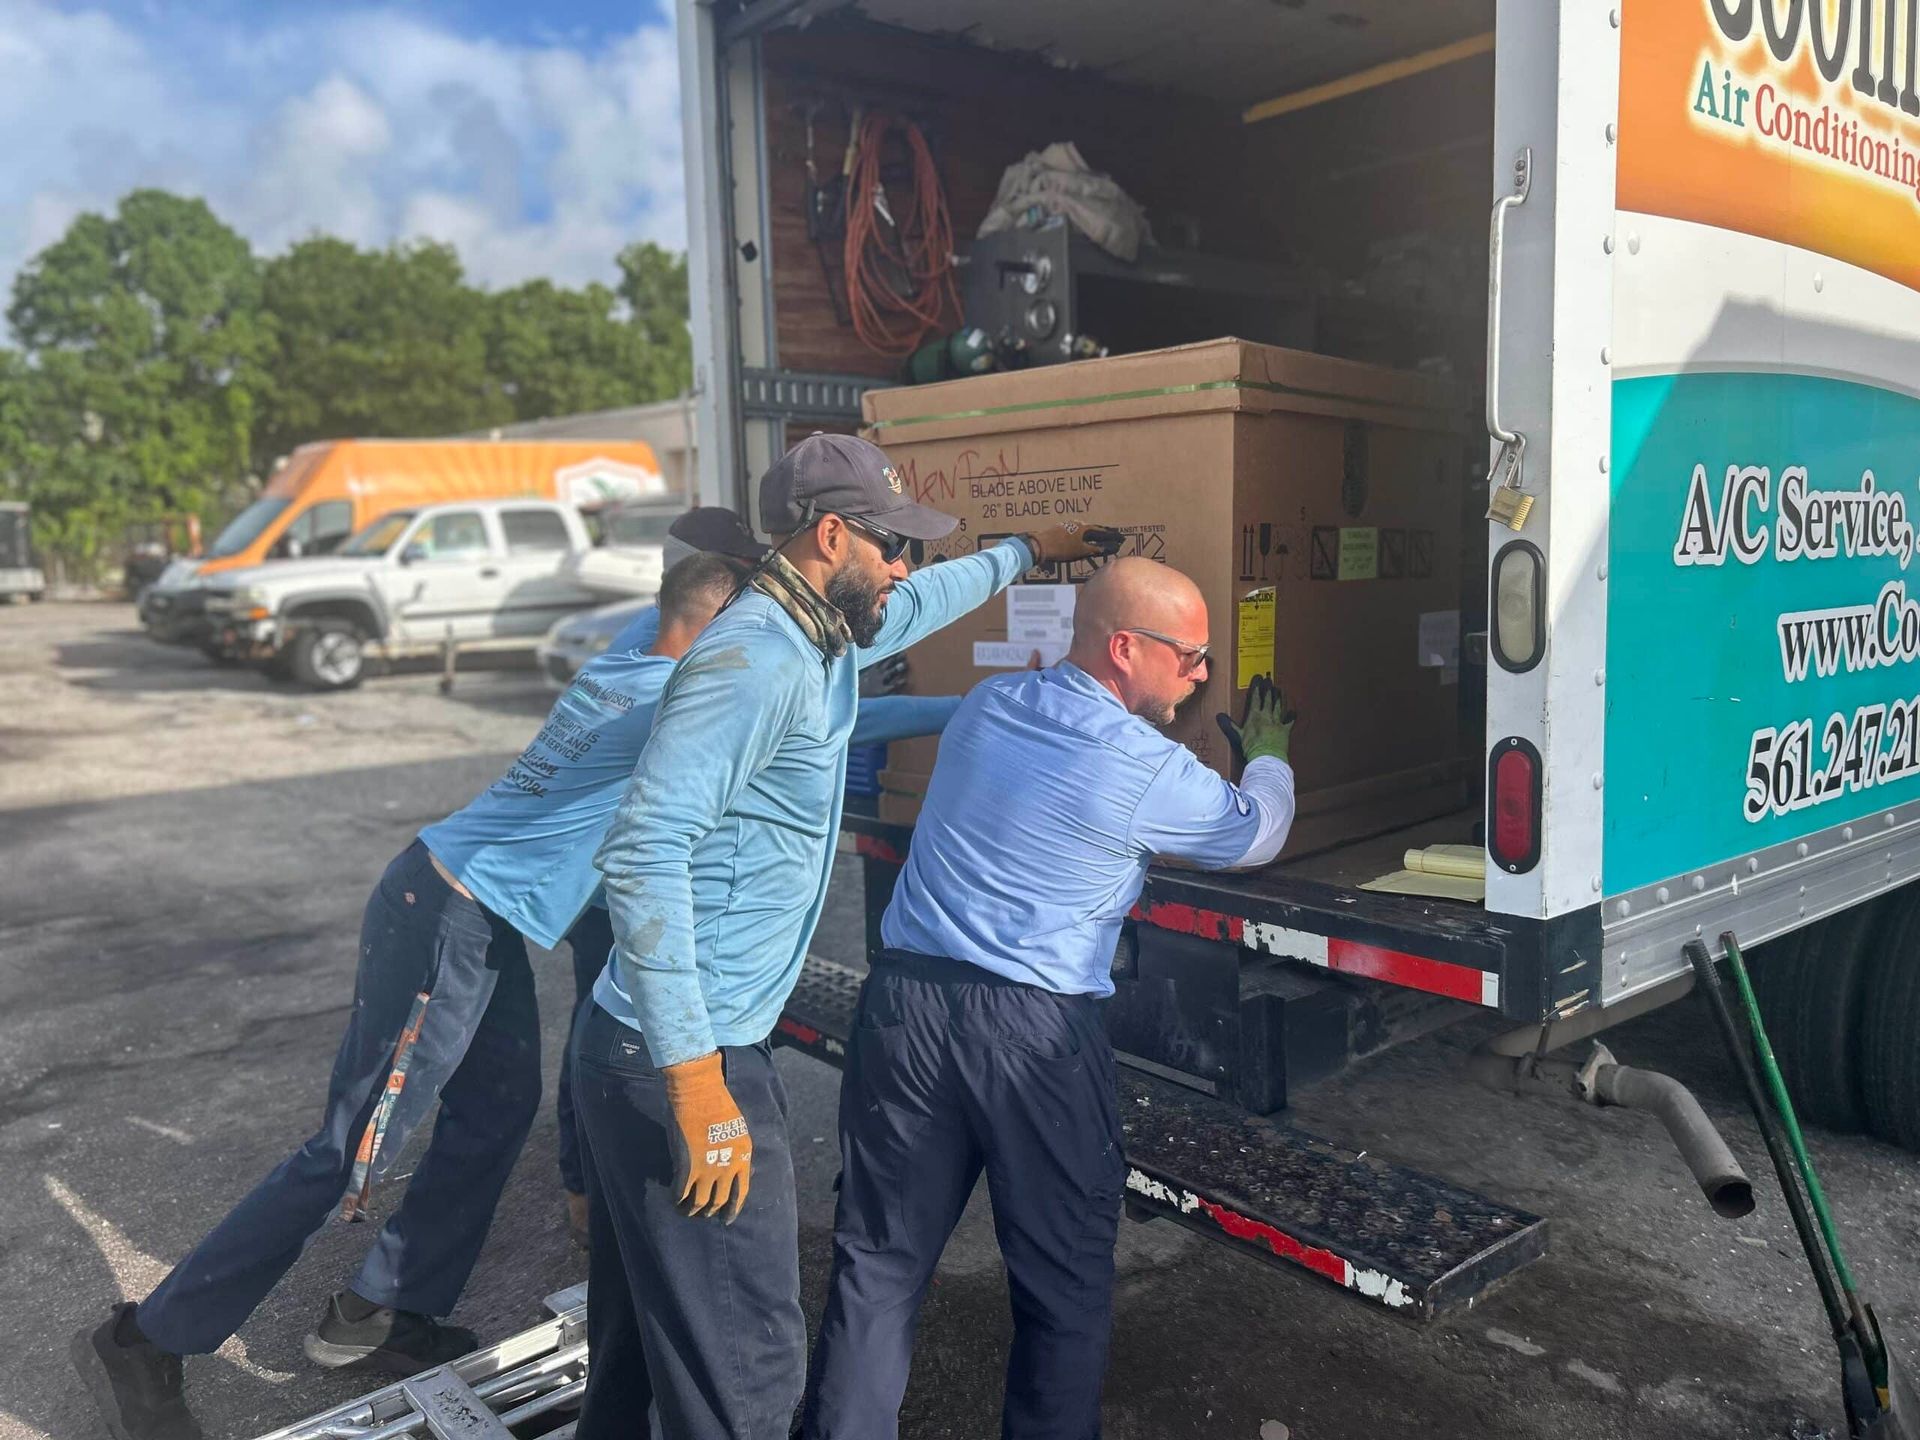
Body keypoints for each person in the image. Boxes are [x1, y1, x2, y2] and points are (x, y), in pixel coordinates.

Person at [71, 524, 963, 1440]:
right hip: (443, 910)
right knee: (351, 1149)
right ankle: (147, 1337)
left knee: (498, 1105)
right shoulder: (682, 696)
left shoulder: (633, 655)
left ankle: (386, 1307)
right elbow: (826, 722)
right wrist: (955, 710)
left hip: (481, 910)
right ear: (723, 618)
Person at [572, 431, 1121, 1440]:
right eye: (894, 545)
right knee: (749, 1367)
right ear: (833, 534)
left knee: (645, 1358)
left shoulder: (823, 626)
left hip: (643, 1047)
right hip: (679, 1059)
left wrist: (1025, 551)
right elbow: (642, 852)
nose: (905, 566)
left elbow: (920, 603)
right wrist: (695, 1081)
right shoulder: (752, 662)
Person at [801, 558, 1297, 1440]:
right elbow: (1253, 835)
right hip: (1028, 1038)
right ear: (1124, 649)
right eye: (1189, 657)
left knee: (876, 1269)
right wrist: (1269, 758)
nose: (1202, 675)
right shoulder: (1146, 767)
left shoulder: (991, 705)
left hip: (906, 1011)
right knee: (1062, 1287)